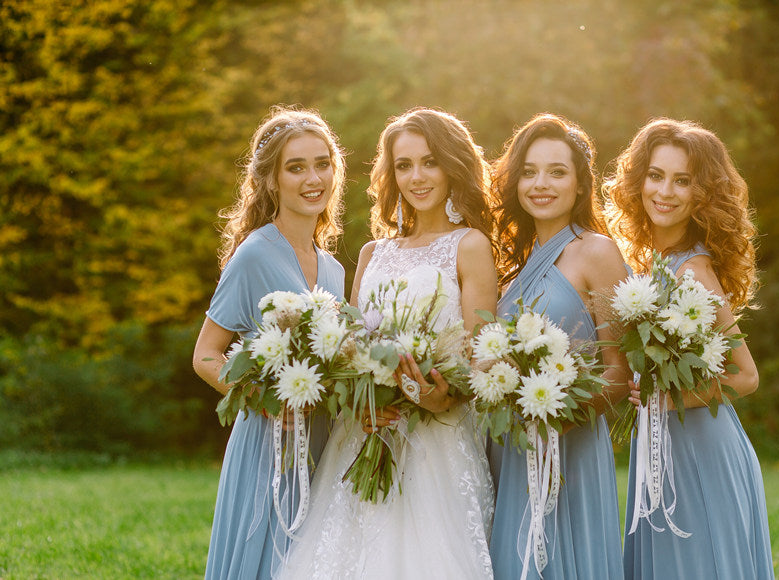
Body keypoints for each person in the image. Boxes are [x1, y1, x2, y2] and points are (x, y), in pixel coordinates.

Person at [280, 107, 498, 579]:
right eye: (403, 165)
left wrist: (445, 394)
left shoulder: (470, 245)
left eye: (429, 162)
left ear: (452, 167)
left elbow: (482, 355)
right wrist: (358, 400)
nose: (416, 177)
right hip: (363, 433)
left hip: (436, 438)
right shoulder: (372, 253)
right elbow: (350, 345)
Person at [604, 118, 775, 579]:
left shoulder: (692, 270)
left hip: (701, 450)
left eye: (683, 181)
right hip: (659, 443)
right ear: (638, 181)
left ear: (703, 194)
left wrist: (668, 397)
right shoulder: (647, 263)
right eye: (656, 176)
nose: (665, 191)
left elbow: (746, 375)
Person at [192, 106, 347, 580]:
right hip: (268, 443)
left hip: (323, 440)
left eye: (322, 164)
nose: (312, 178)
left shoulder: (335, 270)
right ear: (272, 180)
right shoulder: (255, 253)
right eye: (296, 167)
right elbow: (205, 355)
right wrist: (264, 403)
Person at [487, 113, 629, 579]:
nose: (540, 184)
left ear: (581, 185)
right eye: (528, 171)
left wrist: (559, 416)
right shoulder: (509, 265)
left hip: (572, 444)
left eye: (557, 171)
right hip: (511, 447)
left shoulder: (597, 252)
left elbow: (621, 370)